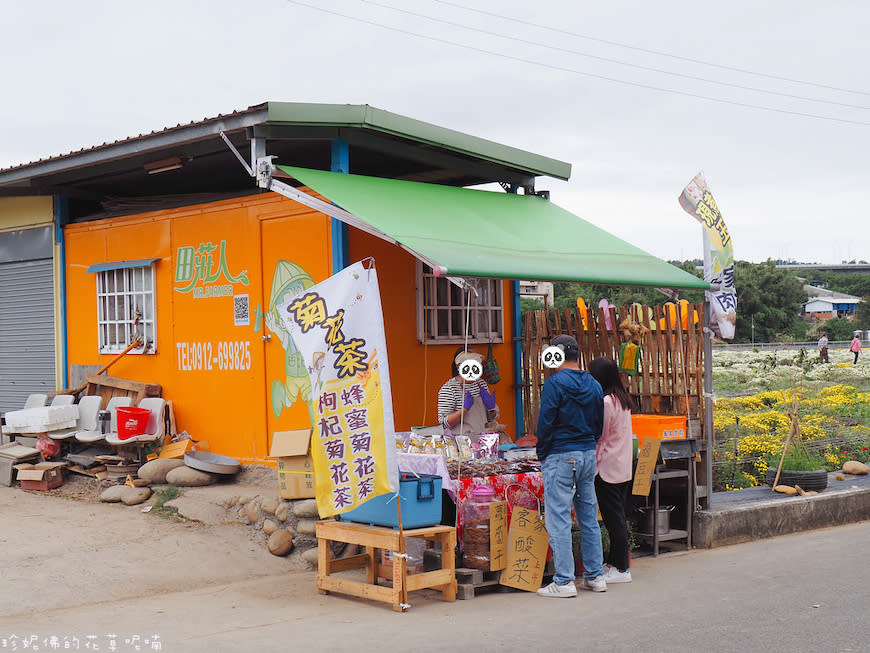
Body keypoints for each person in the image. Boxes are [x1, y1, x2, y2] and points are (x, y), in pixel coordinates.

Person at [535, 334, 606, 597]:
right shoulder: (594, 384)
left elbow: (546, 422)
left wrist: (543, 453)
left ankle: (564, 581)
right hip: (588, 453)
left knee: (560, 519)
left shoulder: (554, 384)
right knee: (588, 518)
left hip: (561, 454)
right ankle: (595, 576)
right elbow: (599, 423)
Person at [589, 356, 634, 585]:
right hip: (622, 466)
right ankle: (613, 562)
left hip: (607, 467)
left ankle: (622, 567)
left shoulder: (606, 402)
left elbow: (601, 438)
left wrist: (592, 465)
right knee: (617, 517)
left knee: (613, 519)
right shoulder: (622, 399)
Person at [437, 347, 498, 437]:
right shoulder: (449, 388)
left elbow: (489, 419)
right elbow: (444, 423)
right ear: (458, 366)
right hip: (461, 442)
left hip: (483, 438)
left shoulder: (481, 384)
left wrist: (491, 409)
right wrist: (464, 410)